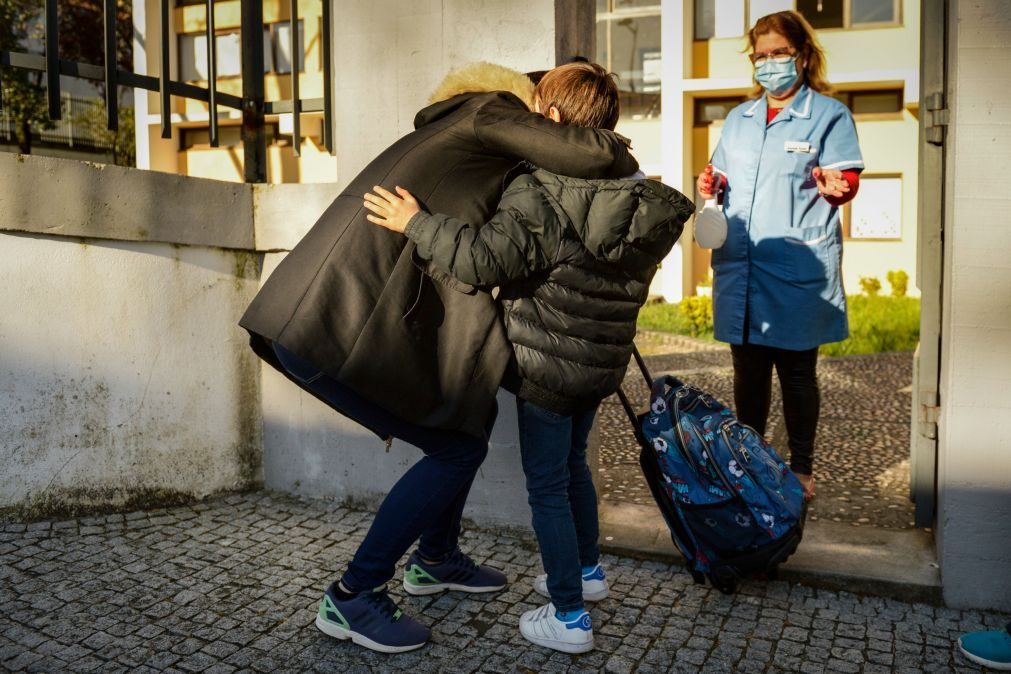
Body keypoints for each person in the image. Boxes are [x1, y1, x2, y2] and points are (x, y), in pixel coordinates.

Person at [239, 62, 638, 654]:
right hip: (326, 327)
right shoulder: (487, 109)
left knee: (466, 423)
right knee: (458, 449)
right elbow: (600, 157)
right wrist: (625, 158)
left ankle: (435, 559)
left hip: (345, 325)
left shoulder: (470, 139)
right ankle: (353, 596)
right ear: (536, 111)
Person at [363, 62, 693, 654]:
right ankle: (587, 574)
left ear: (553, 119)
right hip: (598, 364)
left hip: (546, 365)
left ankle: (568, 616)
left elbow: (483, 261)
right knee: (572, 472)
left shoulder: (544, 189)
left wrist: (414, 221)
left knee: (546, 485)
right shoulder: (638, 190)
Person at [696, 10, 863, 500]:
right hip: (741, 263)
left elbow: (843, 180)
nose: (769, 64)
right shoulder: (739, 119)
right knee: (747, 369)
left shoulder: (829, 115)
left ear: (802, 56)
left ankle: (802, 468)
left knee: (795, 371)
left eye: (778, 54)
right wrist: (712, 183)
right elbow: (722, 175)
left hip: (795, 266)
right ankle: (750, 457)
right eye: (760, 56)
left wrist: (840, 189)